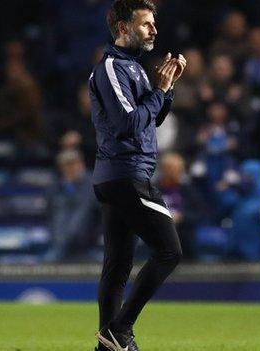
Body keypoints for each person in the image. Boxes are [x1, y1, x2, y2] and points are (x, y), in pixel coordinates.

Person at [89, 1, 186, 350]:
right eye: (145, 24)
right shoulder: (113, 67)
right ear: (122, 27)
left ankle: (107, 346)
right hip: (125, 174)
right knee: (169, 250)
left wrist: (167, 87)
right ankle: (120, 329)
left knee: (117, 265)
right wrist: (159, 92)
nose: (153, 30)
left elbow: (151, 120)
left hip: (121, 174)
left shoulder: (134, 68)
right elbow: (128, 123)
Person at [46, 149, 100, 262]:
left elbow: (88, 212)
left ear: (81, 164)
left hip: (88, 246)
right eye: (68, 165)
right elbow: (50, 214)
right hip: (59, 247)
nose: (73, 168)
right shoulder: (56, 187)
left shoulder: (93, 184)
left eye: (75, 163)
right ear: (61, 168)